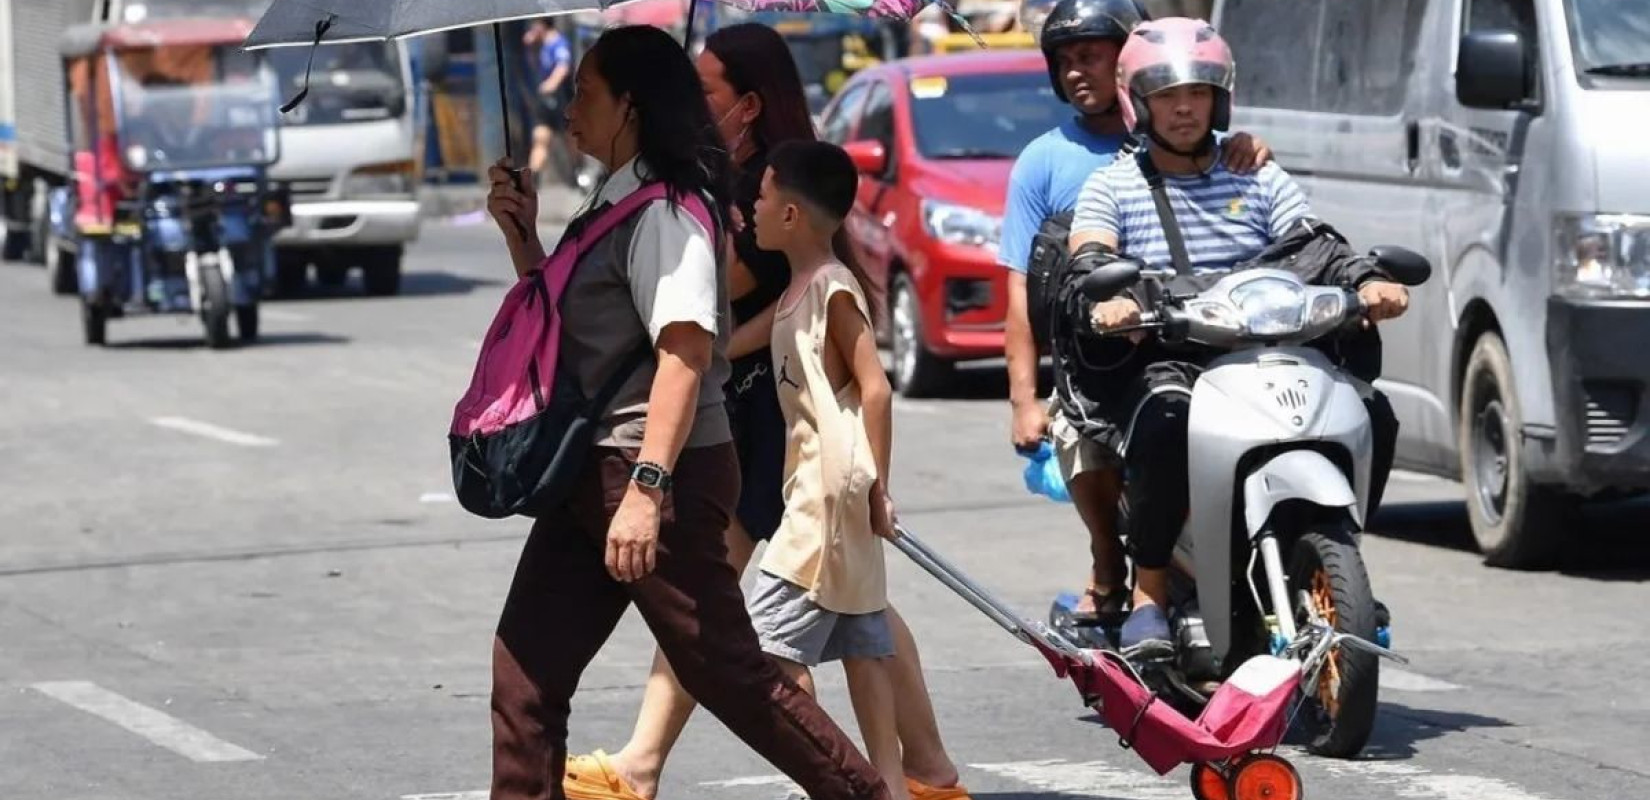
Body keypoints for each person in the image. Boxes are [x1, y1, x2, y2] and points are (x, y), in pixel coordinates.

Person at [563, 23, 972, 800]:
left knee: (731, 607)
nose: (691, 99)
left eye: (705, 89)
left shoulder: (768, 198)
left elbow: (727, 312)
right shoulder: (734, 186)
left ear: (747, 105)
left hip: (770, 430)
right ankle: (923, 771)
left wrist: (874, 480)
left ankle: (857, 776)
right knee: (848, 608)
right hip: (767, 421)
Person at [484, 25, 889, 800]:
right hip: (590, 471)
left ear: (629, 107)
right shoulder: (615, 198)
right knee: (526, 674)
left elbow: (685, 353)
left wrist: (645, 489)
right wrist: (525, 239)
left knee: (735, 677)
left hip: (652, 475)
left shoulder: (668, 212)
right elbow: (578, 334)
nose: (569, 108)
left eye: (585, 92)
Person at [1067, 17, 1408, 650]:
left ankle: (1340, 559)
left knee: (1372, 412)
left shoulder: (1256, 171)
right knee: (1167, 419)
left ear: (1219, 98)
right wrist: (1110, 295)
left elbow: (1316, 244)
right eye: (1167, 95)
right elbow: (1090, 251)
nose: (1184, 108)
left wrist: (1367, 283)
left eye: (1198, 93)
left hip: (1273, 350)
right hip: (1176, 357)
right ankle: (1149, 590)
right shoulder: (1112, 184)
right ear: (1138, 102)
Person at [997, 0, 1272, 628]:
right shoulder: (1043, 162)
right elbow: (1018, 286)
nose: (1076, 73)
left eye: (1091, 56)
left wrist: (1252, 151)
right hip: (1099, 353)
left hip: (1208, 343)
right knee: (1082, 441)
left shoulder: (1197, 137)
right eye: (1064, 61)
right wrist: (1023, 398)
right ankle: (1108, 561)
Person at [749, 137, 907, 799]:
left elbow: (875, 387)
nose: (748, 210)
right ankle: (889, 789)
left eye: (759, 196)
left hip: (831, 494)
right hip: (821, 489)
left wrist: (878, 489)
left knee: (764, 648)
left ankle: (834, 780)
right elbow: (741, 341)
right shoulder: (798, 291)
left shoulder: (834, 290)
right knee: (865, 644)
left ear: (791, 216)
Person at [523, 18, 574, 185]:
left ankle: (578, 171)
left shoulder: (559, 43)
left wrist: (551, 84)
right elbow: (534, 65)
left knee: (570, 138)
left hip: (561, 99)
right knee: (540, 137)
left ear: (542, 25)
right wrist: (530, 47)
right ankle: (534, 178)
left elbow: (563, 66)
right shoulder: (541, 45)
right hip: (545, 101)